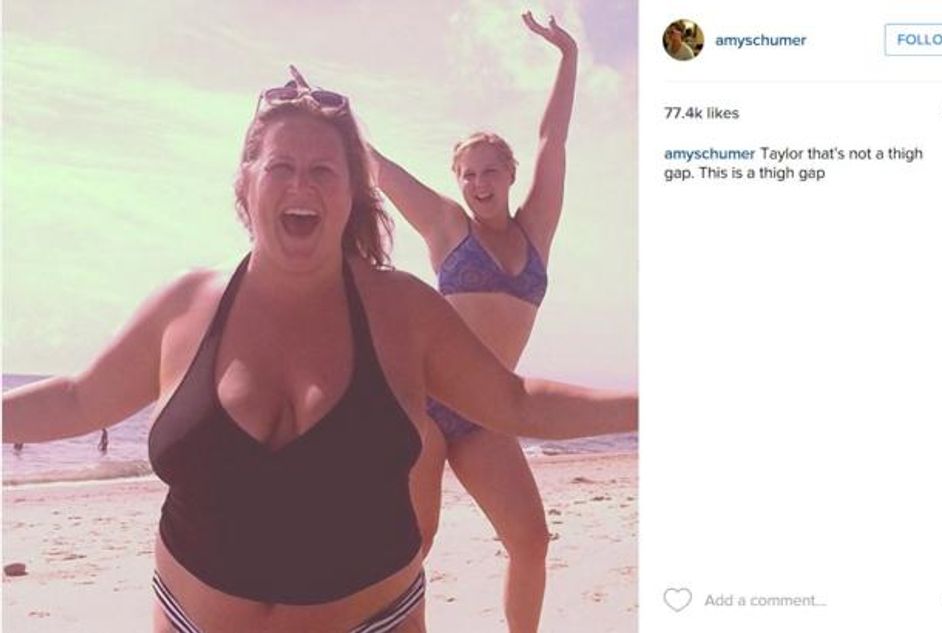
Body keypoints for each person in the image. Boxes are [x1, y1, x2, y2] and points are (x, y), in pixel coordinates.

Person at [2, 66, 636, 633]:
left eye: (324, 170)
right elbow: (79, 398)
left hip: (374, 620)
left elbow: (517, 403)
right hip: (189, 616)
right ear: (246, 181)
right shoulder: (184, 305)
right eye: (280, 166)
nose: (300, 184)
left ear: (353, 191)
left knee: (523, 539)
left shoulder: (403, 310)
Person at [369, 12, 579, 631]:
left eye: (490, 171)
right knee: (413, 546)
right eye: (468, 174)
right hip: (426, 407)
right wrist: (327, 114)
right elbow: (379, 169)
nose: (479, 183)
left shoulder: (536, 231)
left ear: (510, 175)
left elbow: (553, 141)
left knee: (531, 541)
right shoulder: (448, 228)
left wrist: (568, 57)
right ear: (457, 183)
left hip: (488, 413)